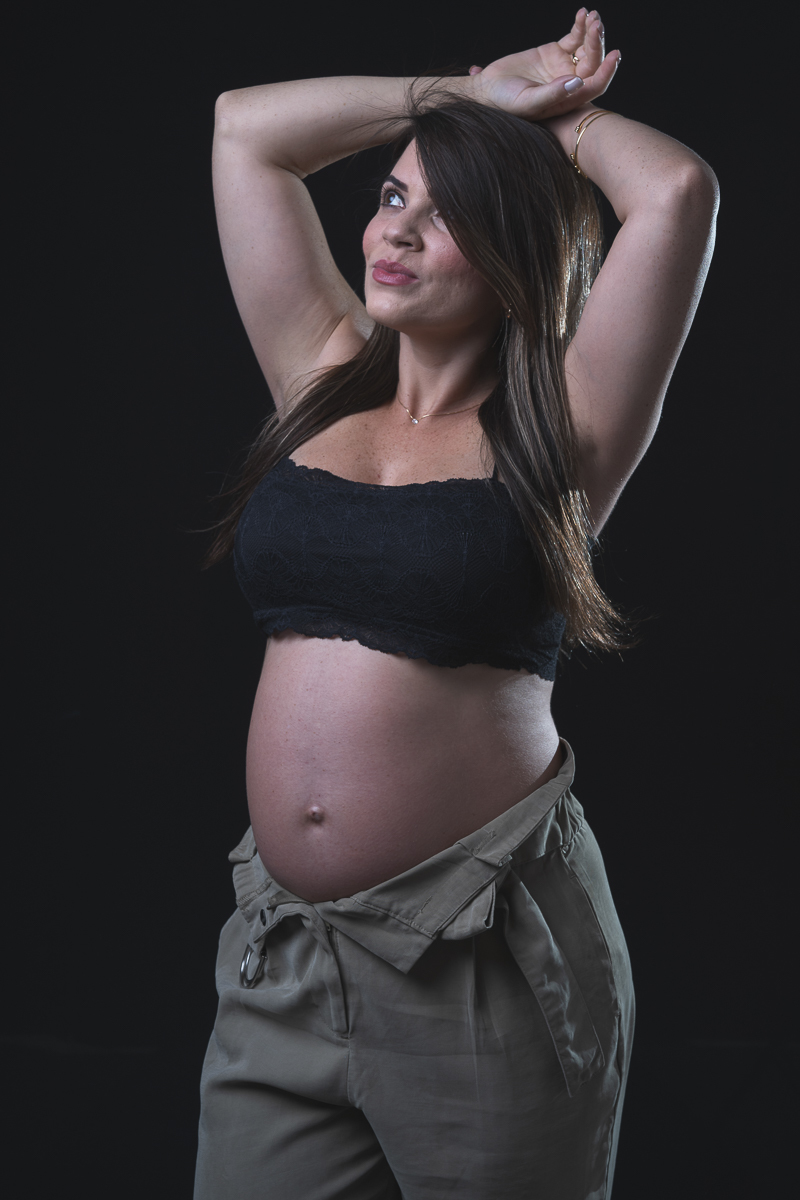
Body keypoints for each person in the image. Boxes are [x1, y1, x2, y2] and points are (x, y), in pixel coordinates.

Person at [194, 8, 718, 1198]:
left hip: (482, 961)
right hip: (288, 953)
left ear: (514, 250)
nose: (395, 232)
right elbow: (244, 133)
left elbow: (674, 191)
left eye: (448, 216)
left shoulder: (562, 429)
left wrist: (543, 125)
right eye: (393, 197)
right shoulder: (321, 377)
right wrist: (470, 96)